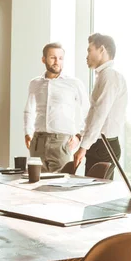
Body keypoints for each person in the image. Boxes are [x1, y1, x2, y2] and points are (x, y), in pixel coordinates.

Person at [24, 42, 89, 172]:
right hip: (38, 141)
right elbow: (28, 110)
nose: (57, 62)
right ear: (44, 59)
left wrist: (79, 136)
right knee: (35, 185)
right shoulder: (35, 83)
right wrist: (27, 132)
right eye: (52, 58)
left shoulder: (74, 83)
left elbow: (87, 111)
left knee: (60, 186)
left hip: (62, 143)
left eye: (60, 58)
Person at [74, 34, 127, 177]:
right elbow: (94, 113)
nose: (86, 56)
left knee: (93, 195)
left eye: (89, 50)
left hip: (104, 145)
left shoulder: (109, 76)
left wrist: (83, 147)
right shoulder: (106, 76)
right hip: (102, 144)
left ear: (101, 49)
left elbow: (99, 115)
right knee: (92, 194)